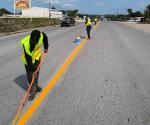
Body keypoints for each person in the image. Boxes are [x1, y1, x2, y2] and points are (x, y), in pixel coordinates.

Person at [20, 30, 49, 101]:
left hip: (37, 56)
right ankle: (33, 90)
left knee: (37, 73)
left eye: (35, 42)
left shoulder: (41, 35)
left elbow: (45, 38)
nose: (33, 43)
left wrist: (46, 47)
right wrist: (34, 68)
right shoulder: (26, 43)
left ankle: (35, 86)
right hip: (28, 60)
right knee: (30, 74)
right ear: (30, 38)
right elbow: (28, 59)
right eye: (32, 41)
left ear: (39, 38)